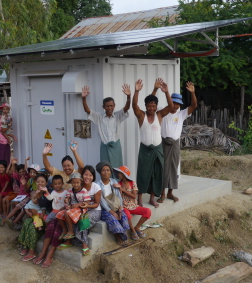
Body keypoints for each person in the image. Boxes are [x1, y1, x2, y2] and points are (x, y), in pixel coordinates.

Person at [152, 81, 197, 202]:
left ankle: (170, 192)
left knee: (173, 167)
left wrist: (192, 93)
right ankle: (162, 194)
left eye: (178, 104)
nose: (176, 106)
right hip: (163, 143)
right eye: (174, 103)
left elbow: (194, 105)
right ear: (170, 102)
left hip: (175, 144)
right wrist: (156, 90)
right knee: (163, 168)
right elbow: (152, 103)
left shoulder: (181, 114)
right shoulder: (163, 111)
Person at [132, 78, 174, 208]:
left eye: (153, 106)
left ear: (156, 107)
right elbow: (134, 106)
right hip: (145, 150)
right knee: (143, 173)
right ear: (146, 106)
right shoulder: (141, 116)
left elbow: (171, 107)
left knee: (156, 174)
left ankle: (151, 198)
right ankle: (139, 199)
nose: (151, 108)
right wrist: (136, 91)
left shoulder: (159, 115)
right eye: (149, 106)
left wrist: (166, 92)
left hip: (157, 149)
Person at [81, 84, 131, 168]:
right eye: (107, 106)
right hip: (104, 146)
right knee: (105, 168)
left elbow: (126, 108)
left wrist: (128, 97)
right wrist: (83, 98)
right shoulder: (98, 117)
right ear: (103, 107)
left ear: (114, 106)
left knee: (117, 168)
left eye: (111, 105)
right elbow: (87, 110)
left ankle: (116, 181)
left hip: (116, 147)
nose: (109, 108)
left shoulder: (118, 116)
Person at [96, 161, 130, 246]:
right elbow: (101, 201)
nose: (106, 172)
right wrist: (112, 212)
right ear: (100, 172)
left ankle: (123, 234)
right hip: (104, 209)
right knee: (112, 218)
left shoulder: (113, 181)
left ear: (111, 172)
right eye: (103, 170)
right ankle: (118, 236)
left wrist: (121, 207)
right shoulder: (97, 184)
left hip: (116, 206)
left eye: (108, 170)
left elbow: (118, 195)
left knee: (123, 215)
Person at [18, 174, 49, 262]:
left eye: (42, 182)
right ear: (35, 182)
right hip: (34, 217)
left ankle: (32, 252)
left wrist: (39, 214)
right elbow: (27, 206)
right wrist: (30, 211)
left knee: (32, 226)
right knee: (27, 222)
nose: (40, 183)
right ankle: (25, 245)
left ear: (46, 183)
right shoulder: (34, 193)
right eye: (38, 181)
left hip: (43, 219)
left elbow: (45, 208)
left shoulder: (47, 194)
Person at [114, 166, 151, 240]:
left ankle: (137, 227)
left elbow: (134, 196)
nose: (118, 175)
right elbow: (119, 197)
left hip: (134, 206)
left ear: (124, 174)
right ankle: (132, 230)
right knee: (128, 215)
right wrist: (119, 189)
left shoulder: (132, 183)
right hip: (124, 206)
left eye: (119, 173)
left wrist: (123, 190)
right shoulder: (119, 184)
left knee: (148, 211)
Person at [55, 172, 91, 244]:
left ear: (80, 181)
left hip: (80, 208)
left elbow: (88, 202)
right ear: (71, 183)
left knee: (66, 213)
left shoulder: (84, 190)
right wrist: (66, 200)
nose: (76, 184)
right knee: (58, 215)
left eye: (77, 182)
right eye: (74, 183)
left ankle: (71, 231)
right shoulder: (70, 190)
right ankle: (65, 230)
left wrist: (78, 204)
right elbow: (67, 199)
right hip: (72, 208)